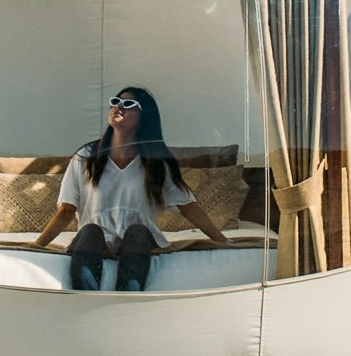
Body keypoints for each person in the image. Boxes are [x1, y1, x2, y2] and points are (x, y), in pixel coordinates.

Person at [33, 86, 230, 291]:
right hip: (95, 242)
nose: (118, 107)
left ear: (144, 117)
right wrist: (37, 246)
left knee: (137, 231)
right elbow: (66, 210)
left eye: (128, 104)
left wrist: (224, 241)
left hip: (139, 243)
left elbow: (188, 206)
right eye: (115, 102)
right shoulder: (86, 157)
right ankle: (85, 299)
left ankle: (127, 297)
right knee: (90, 230)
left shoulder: (156, 162)